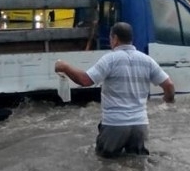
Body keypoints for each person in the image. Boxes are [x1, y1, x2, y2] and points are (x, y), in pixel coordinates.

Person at [54, 21, 175, 158]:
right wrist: (168, 100)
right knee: (137, 164)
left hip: (115, 124)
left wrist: (65, 67)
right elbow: (169, 85)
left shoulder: (110, 60)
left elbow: (85, 80)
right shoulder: (147, 60)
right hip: (140, 125)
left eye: (111, 38)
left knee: (105, 164)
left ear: (115, 39)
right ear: (131, 39)